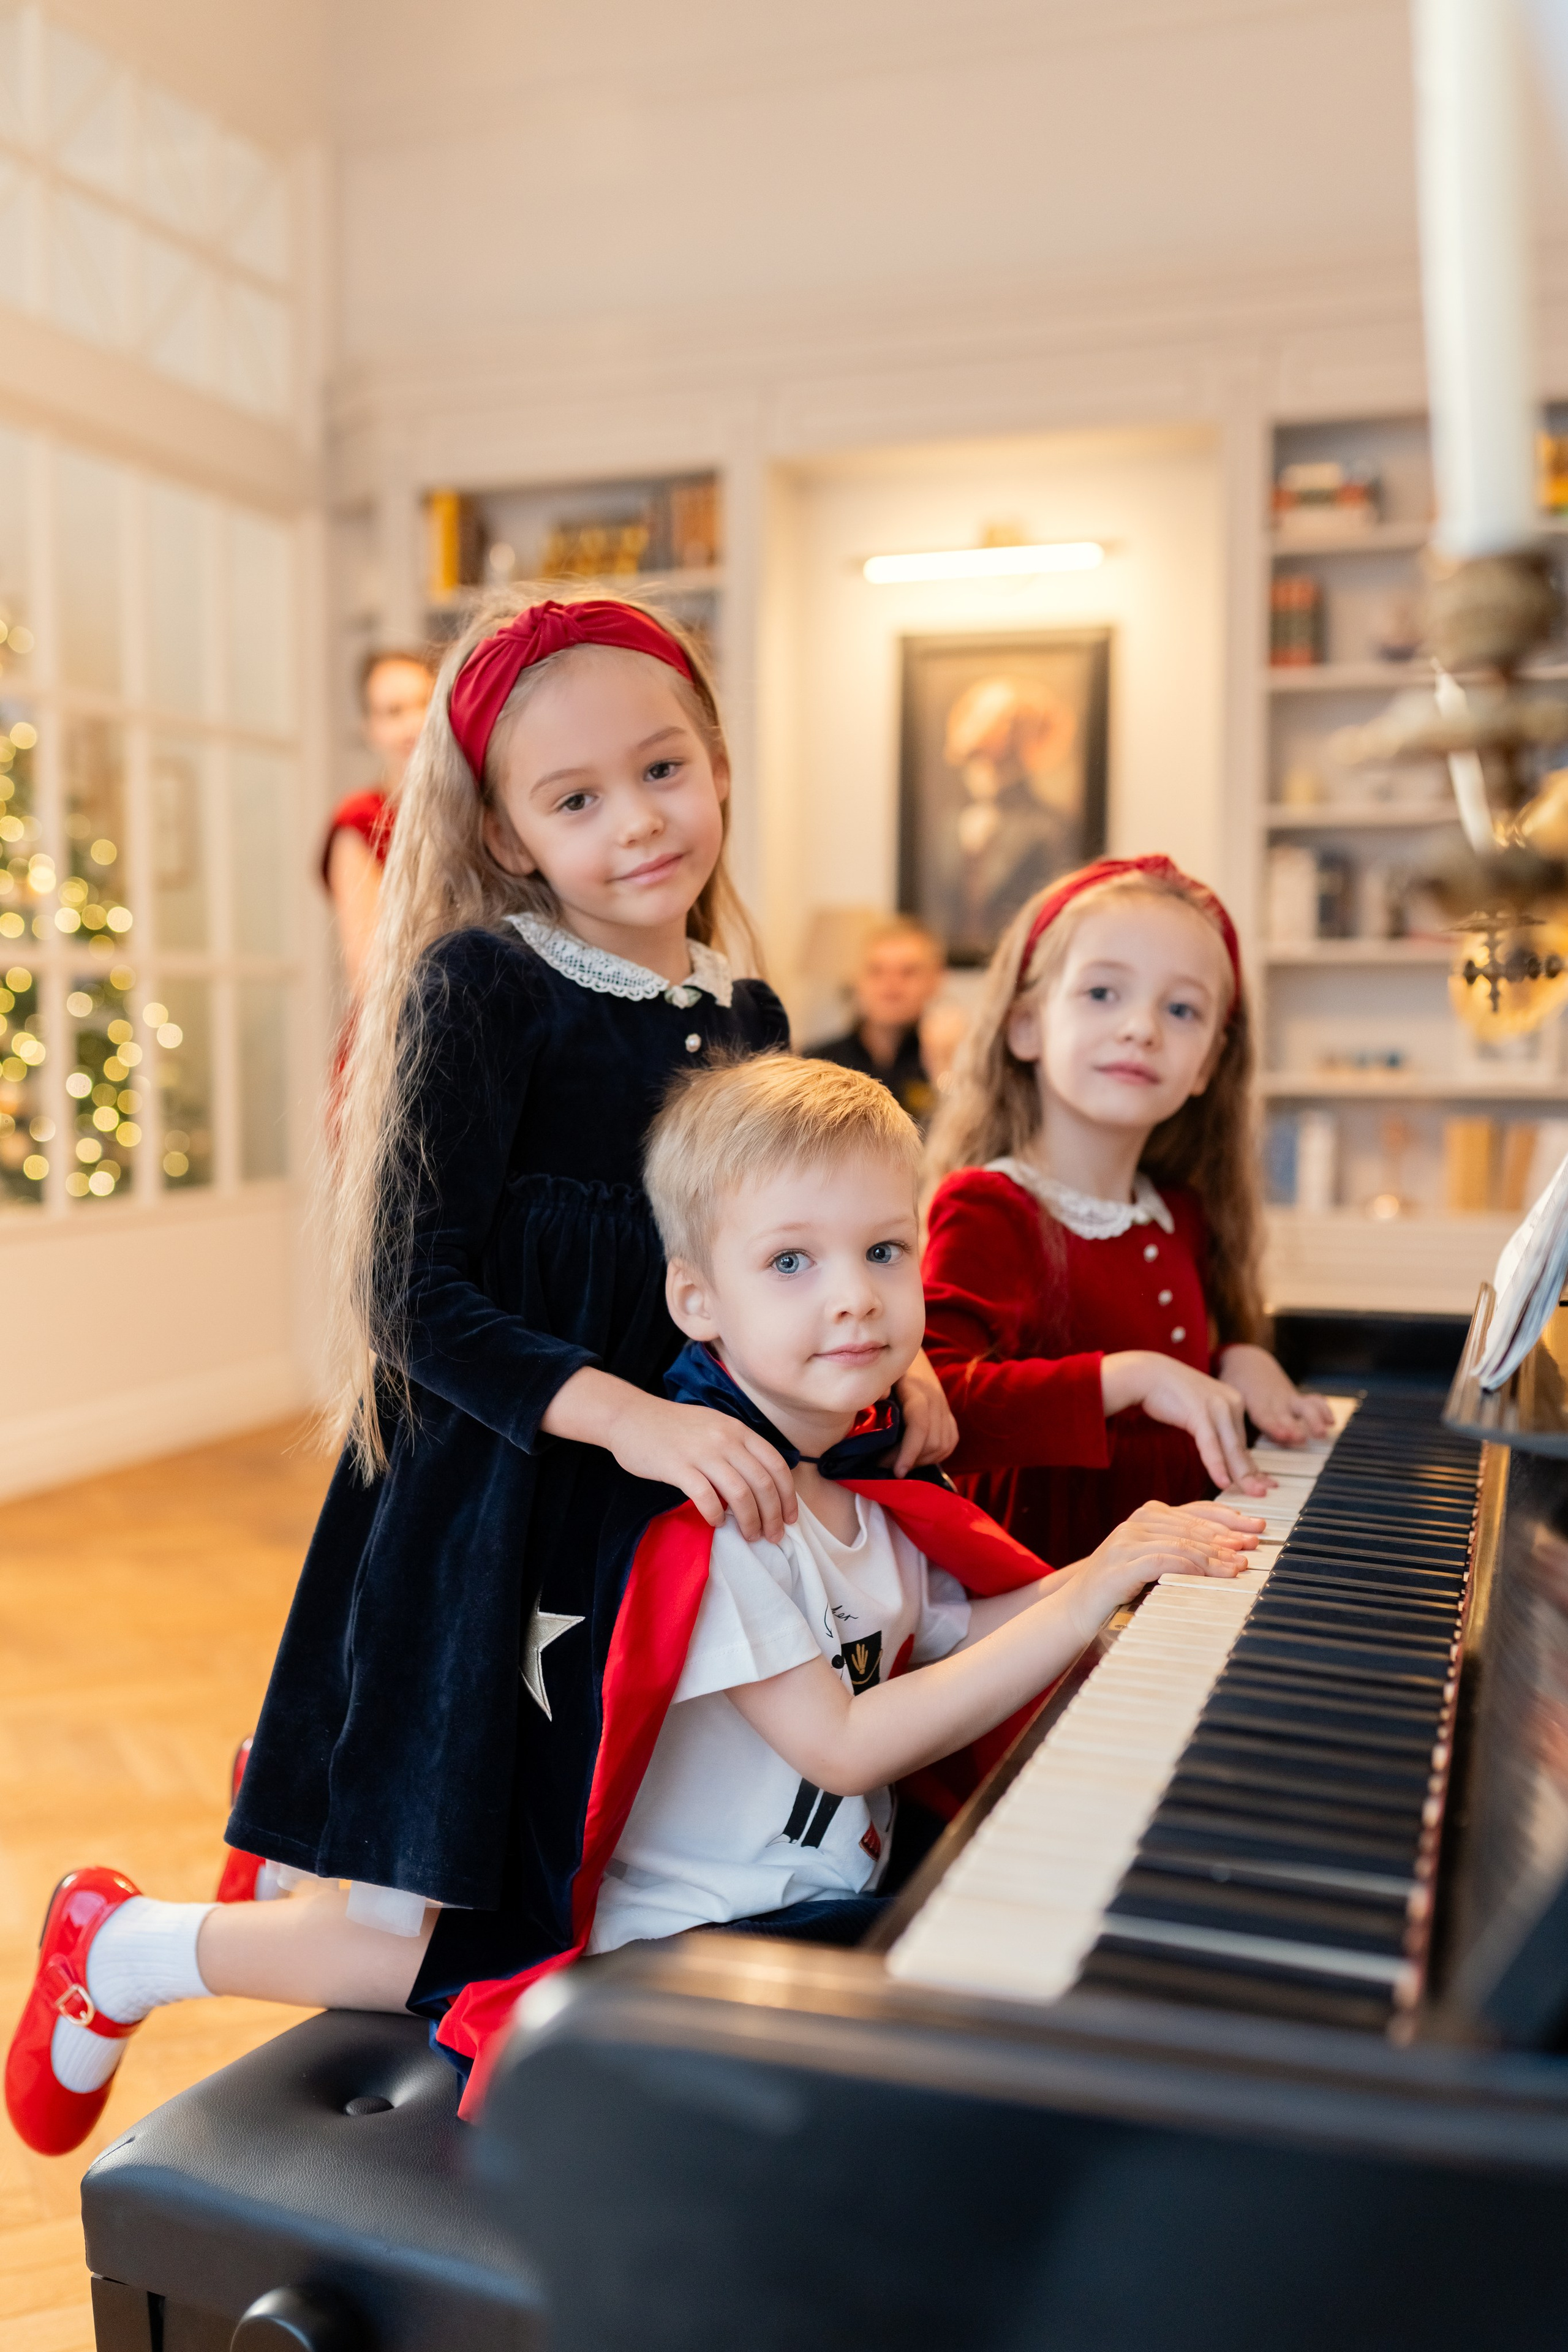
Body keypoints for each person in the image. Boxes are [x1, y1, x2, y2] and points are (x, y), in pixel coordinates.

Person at [4, 591, 956, 2158]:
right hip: (490, 1516)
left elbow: (762, 1266)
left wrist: (870, 1371)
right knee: (405, 1935)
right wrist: (633, 1414)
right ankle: (119, 1942)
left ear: (716, 763)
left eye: (662, 770)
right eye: (574, 798)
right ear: (509, 832)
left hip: (650, 1531)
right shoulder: (482, 984)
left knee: (546, 1894)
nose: (636, 820)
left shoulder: (749, 1014)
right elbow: (408, 1295)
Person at [6, 1058, 1259, 2149]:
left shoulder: (867, 1489)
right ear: (696, 1301)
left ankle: (254, 1893)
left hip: (796, 1899)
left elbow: (955, 1634)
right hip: (678, 1941)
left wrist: (1119, 1606)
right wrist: (1095, 1582)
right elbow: (846, 1740)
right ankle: (128, 1944)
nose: (851, 1296)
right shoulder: (727, 1526)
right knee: (457, 1963)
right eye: (790, 1262)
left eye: (884, 1252)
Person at [921, 854, 1333, 1569]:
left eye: (1181, 1009)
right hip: (1048, 1592)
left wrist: (1234, 1358)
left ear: (1207, 1063)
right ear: (1025, 1026)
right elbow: (938, 1407)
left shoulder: (1178, 1212)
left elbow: (1170, 1364)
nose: (1142, 1028)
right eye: (1103, 993)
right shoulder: (990, 1207)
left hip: (1180, 1586)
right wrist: (1131, 1377)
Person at [322, 649, 437, 993]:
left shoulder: (478, 807)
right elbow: (369, 972)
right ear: (370, 730)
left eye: (424, 702)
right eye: (393, 712)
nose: (413, 724)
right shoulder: (361, 820)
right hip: (403, 1022)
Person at [809, 918, 946, 1126]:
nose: (891, 985)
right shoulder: (817, 1062)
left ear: (935, 981)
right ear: (857, 980)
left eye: (908, 972)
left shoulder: (952, 1060)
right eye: (876, 971)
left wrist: (944, 1068)